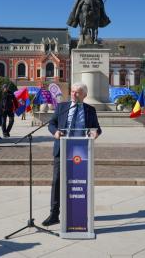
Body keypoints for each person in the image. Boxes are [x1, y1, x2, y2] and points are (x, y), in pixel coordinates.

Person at [42, 82, 101, 227]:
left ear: (85, 95)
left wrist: (95, 132)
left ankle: (78, 213)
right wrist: (55, 132)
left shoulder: (90, 110)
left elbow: (97, 128)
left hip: (81, 152)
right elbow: (51, 123)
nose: (74, 94)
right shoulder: (62, 107)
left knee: (79, 182)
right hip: (62, 148)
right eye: (73, 91)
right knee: (57, 181)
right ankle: (54, 214)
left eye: (78, 92)